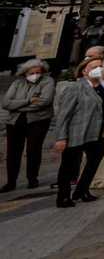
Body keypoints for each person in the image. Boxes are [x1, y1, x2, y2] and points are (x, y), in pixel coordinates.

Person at [50, 55, 104, 208]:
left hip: (98, 132)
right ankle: (63, 196)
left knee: (94, 161)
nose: (99, 69)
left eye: (100, 66)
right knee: (68, 165)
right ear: (84, 71)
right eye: (94, 67)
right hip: (77, 131)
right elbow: (64, 114)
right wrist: (61, 137)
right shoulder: (74, 88)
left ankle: (82, 189)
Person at [2, 58, 54, 192]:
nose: (35, 75)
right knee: (13, 152)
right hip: (15, 121)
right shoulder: (17, 83)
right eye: (32, 72)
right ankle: (11, 182)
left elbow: (45, 101)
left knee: (33, 149)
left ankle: (32, 178)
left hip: (38, 120)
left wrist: (18, 106)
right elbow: (6, 103)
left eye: (38, 72)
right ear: (25, 73)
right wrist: (29, 101)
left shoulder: (47, 81)